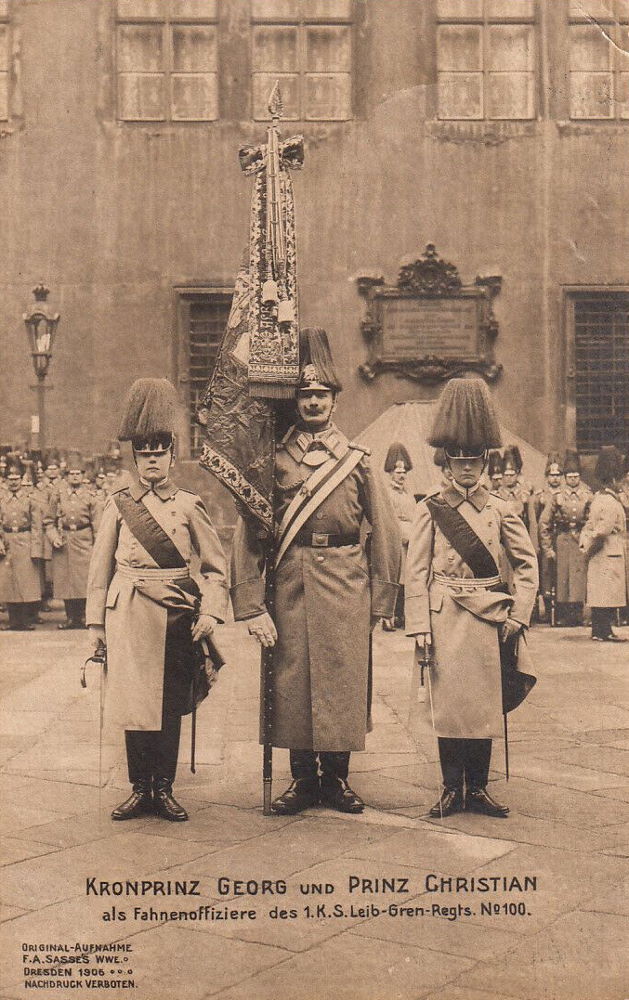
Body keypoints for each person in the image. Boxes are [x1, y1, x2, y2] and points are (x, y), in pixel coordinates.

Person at [231, 328, 401, 816]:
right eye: (305, 394)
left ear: (334, 400)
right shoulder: (274, 460)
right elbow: (248, 532)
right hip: (290, 580)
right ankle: (303, 780)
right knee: (292, 681)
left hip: (347, 581)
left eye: (321, 394)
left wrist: (382, 600)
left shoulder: (357, 461)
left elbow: (385, 531)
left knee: (344, 678)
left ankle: (337, 779)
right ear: (296, 400)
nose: (312, 402)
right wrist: (250, 605)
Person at [86, 378, 228, 822]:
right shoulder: (118, 505)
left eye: (159, 453)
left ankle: (163, 788)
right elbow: (99, 569)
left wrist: (211, 612)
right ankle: (139, 788)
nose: (151, 461)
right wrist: (95, 626)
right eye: (144, 454)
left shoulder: (188, 504)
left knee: (168, 703)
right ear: (135, 458)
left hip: (174, 613)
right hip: (127, 611)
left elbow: (216, 566)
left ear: (171, 456)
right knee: (133, 703)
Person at [406, 378, 538, 819]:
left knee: (482, 706)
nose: (465, 469)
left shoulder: (500, 509)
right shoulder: (430, 508)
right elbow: (416, 572)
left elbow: (527, 564)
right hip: (444, 616)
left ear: (484, 462)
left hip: (488, 617)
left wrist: (519, 614)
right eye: (458, 462)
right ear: (447, 463)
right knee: (447, 706)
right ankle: (450, 789)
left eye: (473, 462)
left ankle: (477, 789)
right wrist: (419, 625)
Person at [46, 452, 104, 629]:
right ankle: (71, 618)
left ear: (83, 475)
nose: (75, 476)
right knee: (66, 581)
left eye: (78, 473)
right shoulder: (58, 495)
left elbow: (97, 525)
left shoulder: (90, 496)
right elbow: (48, 521)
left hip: (84, 541)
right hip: (64, 542)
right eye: (71, 473)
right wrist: (54, 537)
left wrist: (97, 547)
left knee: (84, 580)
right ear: (66, 476)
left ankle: (85, 617)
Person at [579, 445, 628, 642]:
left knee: (603, 593)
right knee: (605, 594)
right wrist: (590, 548)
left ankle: (601, 630)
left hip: (603, 553)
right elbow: (603, 530)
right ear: (613, 480)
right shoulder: (609, 501)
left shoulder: (601, 498)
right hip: (607, 551)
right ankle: (602, 630)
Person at [539, 450, 592, 626]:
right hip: (562, 541)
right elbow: (544, 523)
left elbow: (592, 520)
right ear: (565, 478)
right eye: (569, 477)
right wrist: (548, 548)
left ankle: (577, 613)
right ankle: (562, 614)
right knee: (562, 578)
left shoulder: (587, 496)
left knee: (578, 578)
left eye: (576, 477)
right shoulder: (558, 497)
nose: (573, 480)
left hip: (580, 542)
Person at [0, 457, 44, 631]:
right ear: (5, 480)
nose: (13, 483)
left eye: (16, 479)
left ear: (21, 479)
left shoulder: (30, 499)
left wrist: (36, 550)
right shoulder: (2, 499)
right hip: (7, 542)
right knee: (9, 582)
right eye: (10, 479)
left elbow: (37, 526)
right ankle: (13, 621)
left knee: (25, 583)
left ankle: (25, 620)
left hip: (25, 542)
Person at [382, 442, 416, 631]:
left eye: (404, 472)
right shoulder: (388, 493)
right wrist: (403, 534)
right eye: (398, 472)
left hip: (410, 542)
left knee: (407, 578)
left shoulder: (408, 494)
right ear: (390, 473)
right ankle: (390, 616)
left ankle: (402, 616)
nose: (402, 475)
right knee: (395, 578)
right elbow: (390, 520)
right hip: (396, 541)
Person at [533, 453, 564, 622]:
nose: (555, 478)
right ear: (547, 477)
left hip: (561, 536)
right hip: (545, 536)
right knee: (545, 572)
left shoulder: (565, 494)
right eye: (552, 475)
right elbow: (537, 518)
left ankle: (560, 608)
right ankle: (545, 607)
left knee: (560, 572)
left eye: (558, 475)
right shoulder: (541, 496)